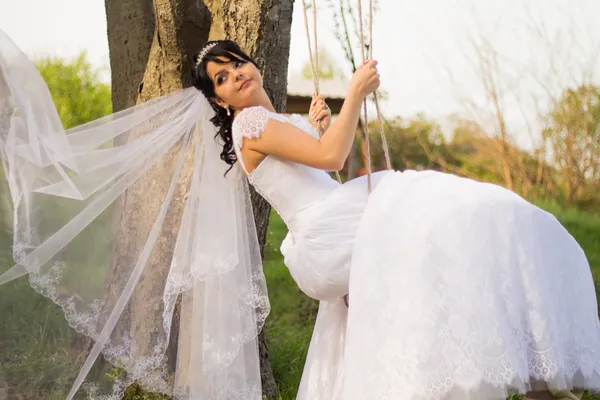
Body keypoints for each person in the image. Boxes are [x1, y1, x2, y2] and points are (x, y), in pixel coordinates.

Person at [0, 31, 598, 399]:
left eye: (236, 65)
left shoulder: (271, 121)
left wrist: (314, 125)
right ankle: (530, 358)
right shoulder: (252, 124)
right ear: (220, 100)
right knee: (456, 214)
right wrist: (354, 95)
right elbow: (336, 155)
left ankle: (514, 361)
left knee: (444, 234)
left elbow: (322, 162)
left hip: (331, 227)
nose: (237, 77)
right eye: (224, 80)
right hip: (326, 235)